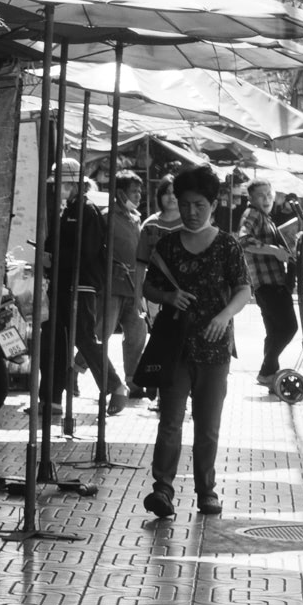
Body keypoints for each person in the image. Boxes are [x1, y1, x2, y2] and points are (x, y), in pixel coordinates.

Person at [141, 166, 251, 520]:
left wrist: (224, 317)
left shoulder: (228, 246)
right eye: (185, 204)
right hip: (175, 348)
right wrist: (169, 297)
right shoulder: (168, 244)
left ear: (213, 205)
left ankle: (207, 491)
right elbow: (147, 286)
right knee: (169, 421)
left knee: (208, 425)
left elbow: (243, 289)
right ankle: (163, 488)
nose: (190, 212)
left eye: (199, 205)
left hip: (214, 349)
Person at [40, 159, 127, 417]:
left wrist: (54, 258)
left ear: (74, 183)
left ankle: (115, 385)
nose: (59, 189)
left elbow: (85, 252)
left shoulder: (85, 211)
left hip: (81, 285)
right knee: (53, 339)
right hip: (63, 283)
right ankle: (51, 400)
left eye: (63, 184)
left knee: (83, 338)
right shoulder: (69, 209)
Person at [236, 179, 300, 388]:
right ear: (251, 199)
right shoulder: (252, 215)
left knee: (274, 332)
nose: (266, 199)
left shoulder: (266, 218)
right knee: (289, 327)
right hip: (268, 283)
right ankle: (266, 370)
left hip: (269, 283)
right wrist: (275, 251)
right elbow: (244, 241)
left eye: (269, 195)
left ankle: (270, 374)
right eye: (261, 195)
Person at [102, 172, 150, 385]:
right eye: (134, 191)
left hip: (134, 288)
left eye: (140, 191)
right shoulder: (105, 217)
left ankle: (132, 380)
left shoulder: (136, 218)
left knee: (138, 334)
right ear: (120, 193)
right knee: (100, 335)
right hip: (111, 288)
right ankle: (73, 373)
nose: (139, 195)